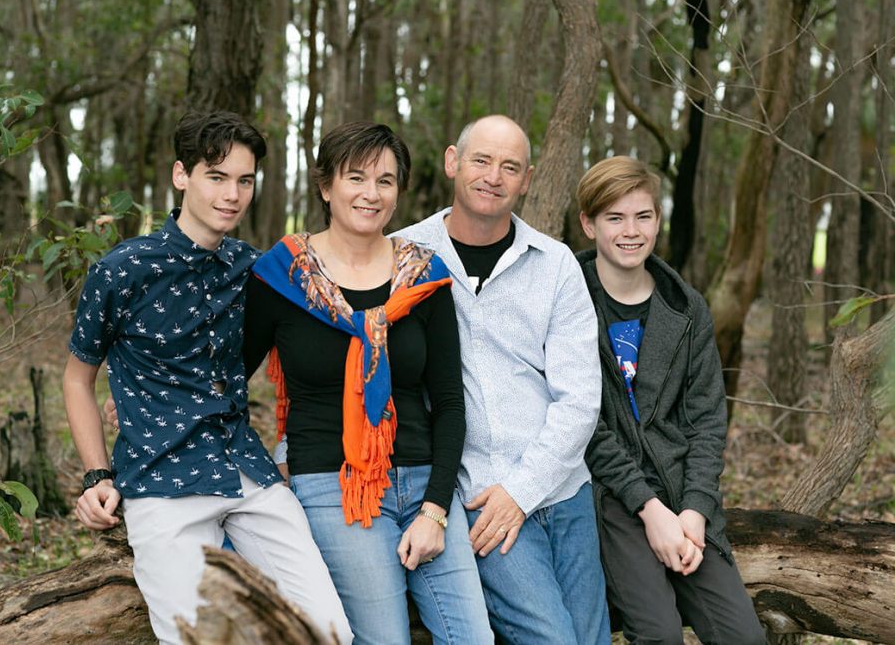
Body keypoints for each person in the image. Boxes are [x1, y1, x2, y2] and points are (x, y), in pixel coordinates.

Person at [63, 111, 352, 645]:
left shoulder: (254, 269)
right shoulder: (122, 270)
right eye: (217, 177)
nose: (232, 195)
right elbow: (78, 379)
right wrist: (96, 476)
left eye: (244, 181)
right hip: (160, 479)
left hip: (246, 473)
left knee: (327, 632)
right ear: (181, 176)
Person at [244, 121, 493, 644]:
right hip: (334, 488)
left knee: (473, 638)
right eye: (355, 177)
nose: (371, 193)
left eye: (385, 180)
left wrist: (435, 510)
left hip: (425, 484)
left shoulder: (423, 276)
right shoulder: (282, 275)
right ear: (325, 187)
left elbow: (449, 402)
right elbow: (226, 379)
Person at [394, 115, 610, 644]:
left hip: (563, 491)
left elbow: (580, 398)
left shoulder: (556, 264)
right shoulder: (402, 255)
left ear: (527, 178)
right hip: (475, 498)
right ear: (452, 162)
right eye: (481, 161)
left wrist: (522, 490)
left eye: (510, 167)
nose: (494, 176)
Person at [576, 156, 765, 645]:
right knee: (659, 633)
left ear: (659, 221)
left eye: (643, 216)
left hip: (682, 494)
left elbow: (706, 421)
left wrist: (695, 511)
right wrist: (648, 509)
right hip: (610, 495)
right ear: (589, 223)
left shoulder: (686, 308)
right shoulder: (569, 300)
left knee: (742, 636)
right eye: (615, 218)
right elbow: (582, 423)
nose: (630, 231)